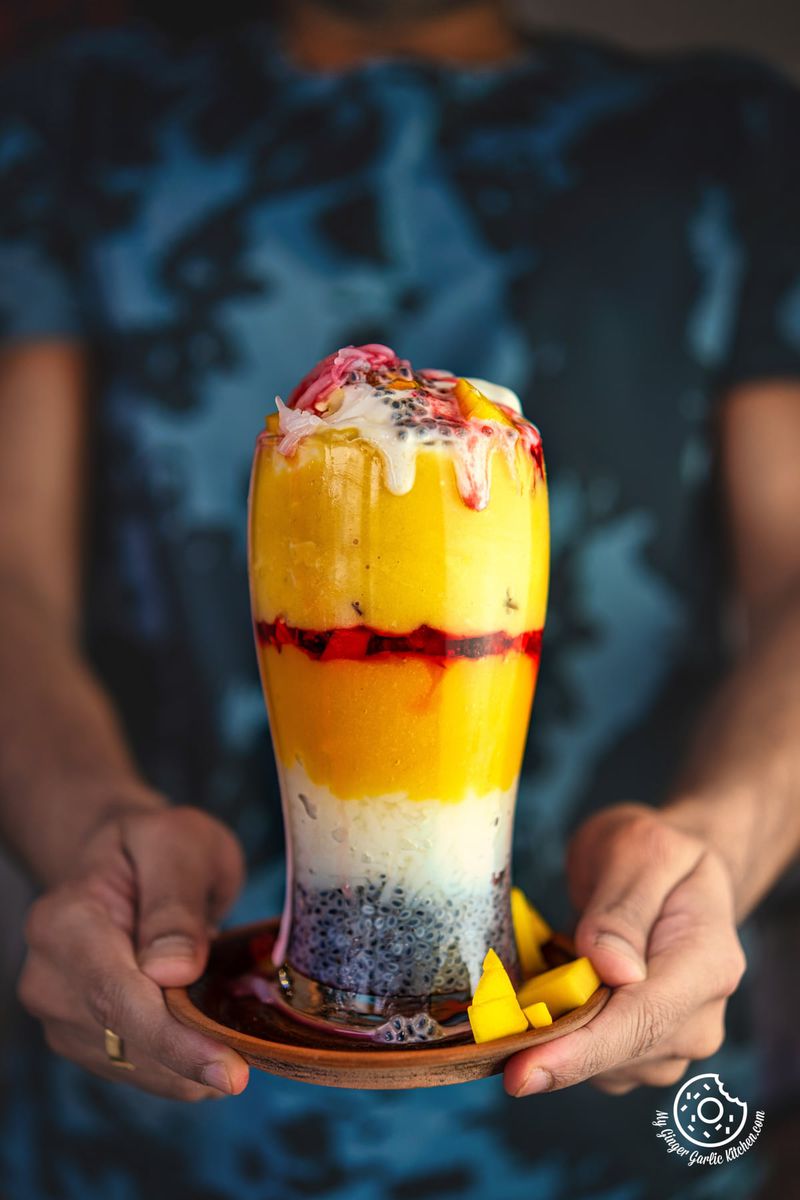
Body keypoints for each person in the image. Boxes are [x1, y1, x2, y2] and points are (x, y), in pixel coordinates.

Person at [0, 1, 799, 1196]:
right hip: (162, 1083)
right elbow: (11, 568)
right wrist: (84, 825)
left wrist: (721, 843)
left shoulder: (726, 136)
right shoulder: (76, 118)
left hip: (625, 1087)